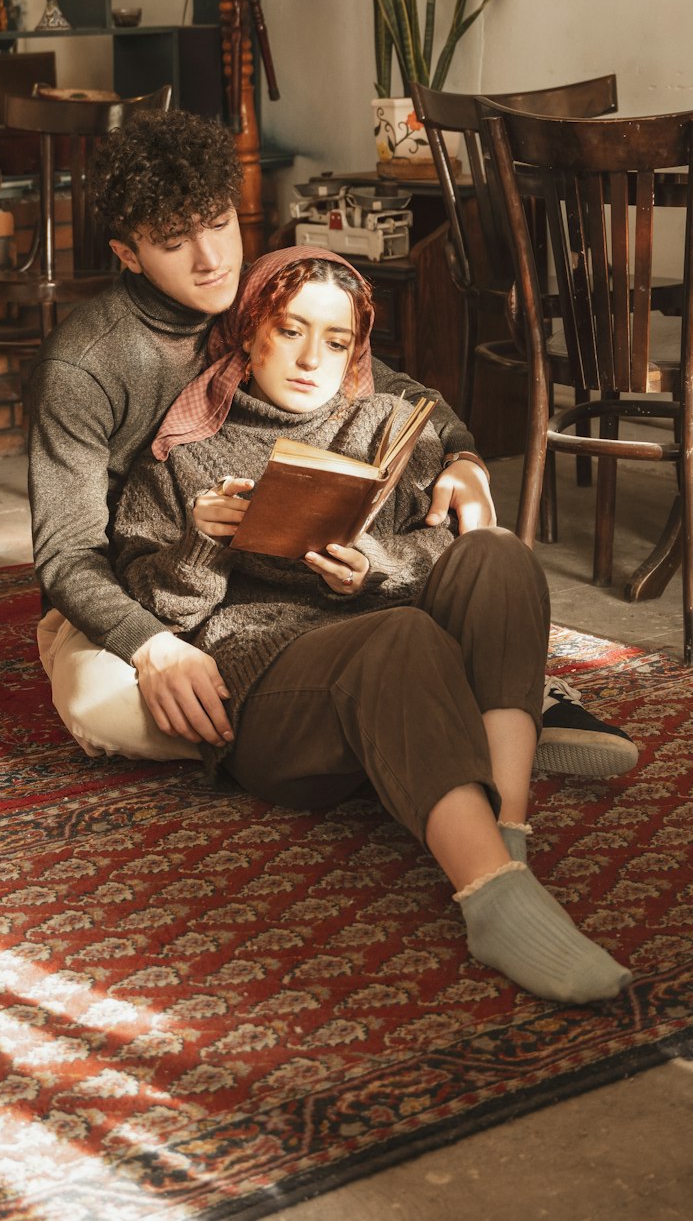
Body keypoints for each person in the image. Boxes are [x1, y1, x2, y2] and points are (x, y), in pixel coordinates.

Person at [28, 108, 636, 773]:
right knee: (100, 704)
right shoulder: (84, 362)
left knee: (422, 574)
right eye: (175, 243)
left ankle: (441, 698)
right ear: (128, 255)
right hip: (143, 585)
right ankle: (448, 700)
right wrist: (151, 646)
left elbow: (388, 383)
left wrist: (461, 455)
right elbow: (66, 554)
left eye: (220, 225)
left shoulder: (251, 291)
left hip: (280, 582)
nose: (211, 260)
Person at [110, 246, 632, 1004]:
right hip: (273, 692)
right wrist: (204, 540)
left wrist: (376, 564)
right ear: (250, 331)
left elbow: (441, 542)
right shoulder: (182, 451)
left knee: (497, 554)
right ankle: (493, 900)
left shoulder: (390, 423)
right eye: (290, 331)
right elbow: (158, 607)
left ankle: (508, 833)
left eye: (335, 339)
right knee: (402, 636)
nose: (309, 358)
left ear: (359, 348)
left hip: (397, 661)